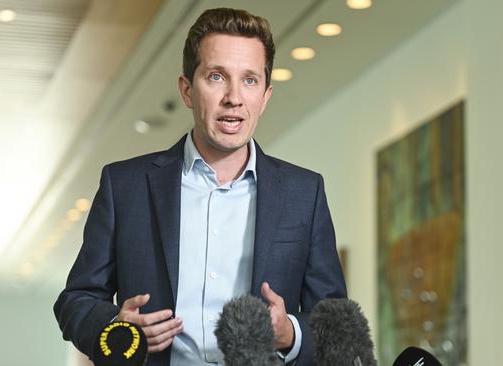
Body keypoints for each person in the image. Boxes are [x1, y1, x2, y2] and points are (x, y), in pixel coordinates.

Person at [54, 7, 347, 366]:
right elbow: (76, 299)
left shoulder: (306, 193)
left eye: (250, 80)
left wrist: (289, 333)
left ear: (266, 97)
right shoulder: (125, 186)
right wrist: (116, 326)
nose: (234, 98)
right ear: (187, 90)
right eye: (216, 77)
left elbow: (335, 324)